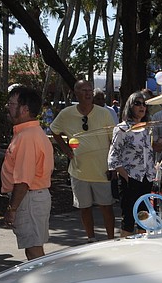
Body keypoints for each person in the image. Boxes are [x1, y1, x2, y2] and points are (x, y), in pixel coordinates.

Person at [50, 79, 116, 243]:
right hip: (79, 170)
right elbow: (54, 131)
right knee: (84, 207)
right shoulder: (66, 114)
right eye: (83, 90)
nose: (88, 93)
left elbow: (114, 141)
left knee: (106, 207)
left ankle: (111, 240)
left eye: (90, 90)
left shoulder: (104, 113)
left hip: (102, 170)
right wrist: (65, 149)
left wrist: (113, 165)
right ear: (75, 93)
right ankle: (91, 238)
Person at [2, 86, 55, 260]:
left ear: (24, 109)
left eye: (11, 103)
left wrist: (12, 208)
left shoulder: (27, 136)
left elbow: (23, 179)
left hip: (30, 199)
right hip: (32, 197)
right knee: (33, 249)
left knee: (34, 251)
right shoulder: (28, 133)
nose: (7, 107)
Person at [108, 91, 157, 236]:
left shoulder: (146, 128)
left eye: (144, 104)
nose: (142, 107)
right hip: (130, 179)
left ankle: (142, 250)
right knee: (128, 219)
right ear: (130, 106)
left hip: (146, 179)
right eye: (137, 103)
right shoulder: (122, 128)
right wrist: (126, 176)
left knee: (145, 218)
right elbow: (113, 156)